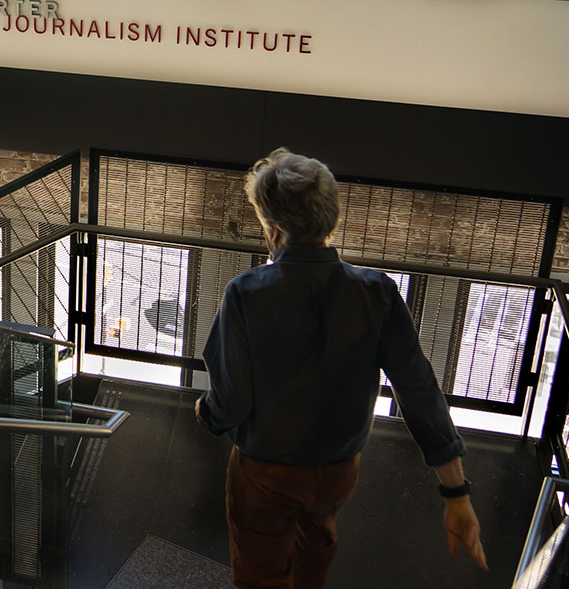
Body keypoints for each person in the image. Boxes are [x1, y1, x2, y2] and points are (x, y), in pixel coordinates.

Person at [194, 149, 489, 589]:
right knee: (315, 554)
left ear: (273, 227)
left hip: (265, 473)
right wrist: (456, 493)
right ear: (330, 220)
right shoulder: (378, 293)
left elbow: (232, 402)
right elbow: (419, 389)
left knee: (261, 574)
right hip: (336, 473)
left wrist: (207, 414)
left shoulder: (246, 294)